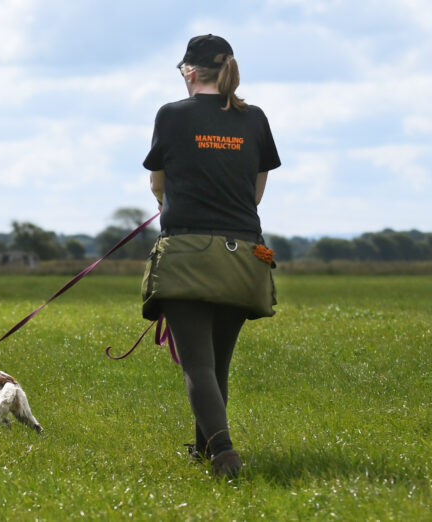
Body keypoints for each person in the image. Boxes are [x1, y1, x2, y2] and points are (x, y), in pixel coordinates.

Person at [142, 34, 281, 478]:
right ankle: (204, 451)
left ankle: (223, 454)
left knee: (197, 365)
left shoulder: (171, 115)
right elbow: (256, 192)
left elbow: (157, 185)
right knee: (218, 364)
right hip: (244, 258)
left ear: (188, 72)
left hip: (186, 254)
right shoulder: (255, 119)